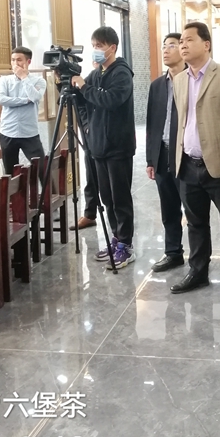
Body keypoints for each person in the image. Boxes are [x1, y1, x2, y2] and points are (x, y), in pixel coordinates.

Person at [170, 21, 220, 303]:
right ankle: (198, 271)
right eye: (181, 41)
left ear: (206, 44)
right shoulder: (179, 80)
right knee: (195, 223)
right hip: (188, 164)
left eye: (189, 40)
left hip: (219, 163)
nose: (183, 45)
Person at [71, 26, 136, 269]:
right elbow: (82, 100)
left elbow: (110, 100)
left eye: (100, 46)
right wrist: (87, 125)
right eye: (94, 46)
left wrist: (84, 87)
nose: (96, 50)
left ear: (112, 47)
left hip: (118, 146)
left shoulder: (122, 73)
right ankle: (116, 239)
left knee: (120, 198)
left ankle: (126, 246)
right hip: (98, 145)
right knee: (107, 198)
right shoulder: (97, 73)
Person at [146, 33, 186, 272]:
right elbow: (152, 124)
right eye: (164, 46)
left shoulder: (192, 80)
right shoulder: (157, 86)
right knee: (169, 208)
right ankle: (173, 253)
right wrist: (151, 159)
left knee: (193, 210)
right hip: (162, 154)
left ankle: (199, 259)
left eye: (172, 45)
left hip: (186, 155)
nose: (166, 50)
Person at [0, 46, 46, 175]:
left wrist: (24, 77)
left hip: (29, 133)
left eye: (19, 60)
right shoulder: (4, 80)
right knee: (10, 173)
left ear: (28, 62)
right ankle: (17, 190)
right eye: (13, 60)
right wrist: (25, 100)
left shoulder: (39, 81)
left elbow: (35, 97)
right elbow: (1, 100)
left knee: (42, 169)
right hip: (8, 132)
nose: (15, 63)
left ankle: (48, 189)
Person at [70, 61, 100, 232]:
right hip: (90, 132)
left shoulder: (118, 74)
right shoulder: (91, 77)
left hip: (109, 137)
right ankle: (90, 213)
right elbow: (79, 103)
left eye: (99, 48)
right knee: (91, 173)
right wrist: (86, 125)